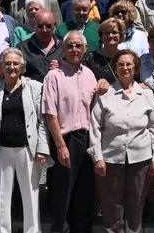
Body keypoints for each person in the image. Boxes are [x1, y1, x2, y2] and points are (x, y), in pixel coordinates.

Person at [87, 50, 154, 233]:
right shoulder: (104, 94)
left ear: (136, 68)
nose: (125, 68)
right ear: (115, 68)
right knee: (111, 206)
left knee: (136, 205)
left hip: (141, 158)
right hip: (110, 158)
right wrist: (97, 157)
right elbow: (95, 127)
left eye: (129, 64)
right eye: (120, 64)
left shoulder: (146, 94)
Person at [0, 47, 50, 233]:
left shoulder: (35, 88)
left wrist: (42, 149)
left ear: (22, 67)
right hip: (1, 148)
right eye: (7, 63)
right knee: (2, 196)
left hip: (27, 149)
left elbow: (41, 121)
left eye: (15, 64)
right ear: (1, 67)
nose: (11, 67)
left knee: (30, 194)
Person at [42, 30, 97, 233]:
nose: (74, 49)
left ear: (85, 49)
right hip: (66, 140)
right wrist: (61, 146)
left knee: (84, 196)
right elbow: (50, 114)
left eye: (78, 46)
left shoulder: (90, 74)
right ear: (63, 49)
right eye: (70, 46)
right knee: (62, 195)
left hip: (88, 140)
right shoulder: (53, 76)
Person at [18, 9, 62, 82]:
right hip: (32, 91)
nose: (44, 30)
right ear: (34, 26)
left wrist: (63, 67)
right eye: (40, 26)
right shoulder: (22, 48)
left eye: (48, 26)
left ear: (54, 26)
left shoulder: (64, 47)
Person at [82, 18, 127, 86]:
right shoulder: (89, 58)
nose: (110, 35)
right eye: (106, 33)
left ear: (120, 35)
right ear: (101, 36)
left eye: (114, 32)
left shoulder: (126, 57)